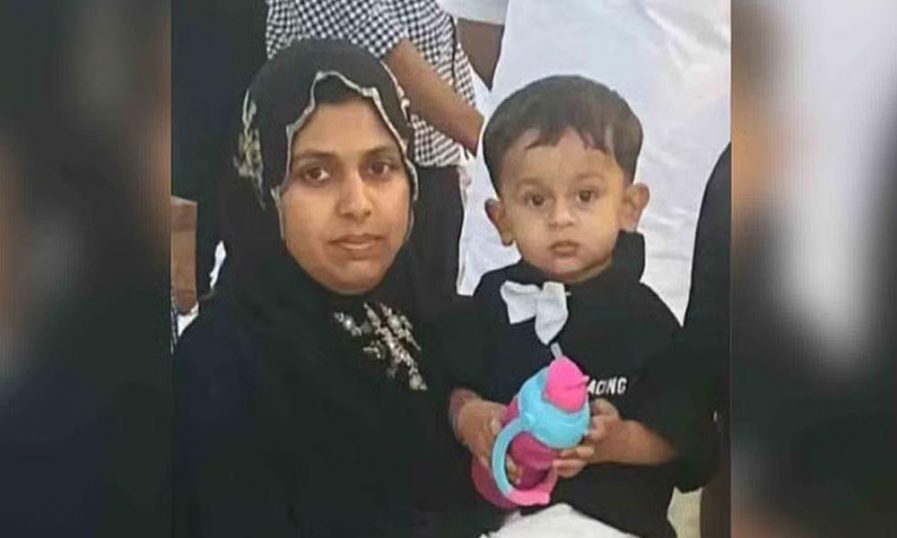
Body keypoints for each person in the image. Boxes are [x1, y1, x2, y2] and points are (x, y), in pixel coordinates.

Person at [174, 40, 482, 537]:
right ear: (262, 186)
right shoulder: (222, 369)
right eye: (315, 173)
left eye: (379, 167)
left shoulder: (428, 311)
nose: (357, 204)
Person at [443, 76, 716, 538]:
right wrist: (469, 417)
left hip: (615, 525)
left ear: (630, 207)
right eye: (536, 200)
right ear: (501, 218)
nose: (560, 217)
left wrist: (621, 441)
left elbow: (693, 440)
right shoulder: (489, 304)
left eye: (585, 196)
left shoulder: (647, 320)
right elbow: (447, 387)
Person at [266, 0, 485, 322]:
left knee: (425, 319)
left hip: (431, 162)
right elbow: (385, 47)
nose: (357, 205)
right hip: (336, 163)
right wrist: (498, 146)